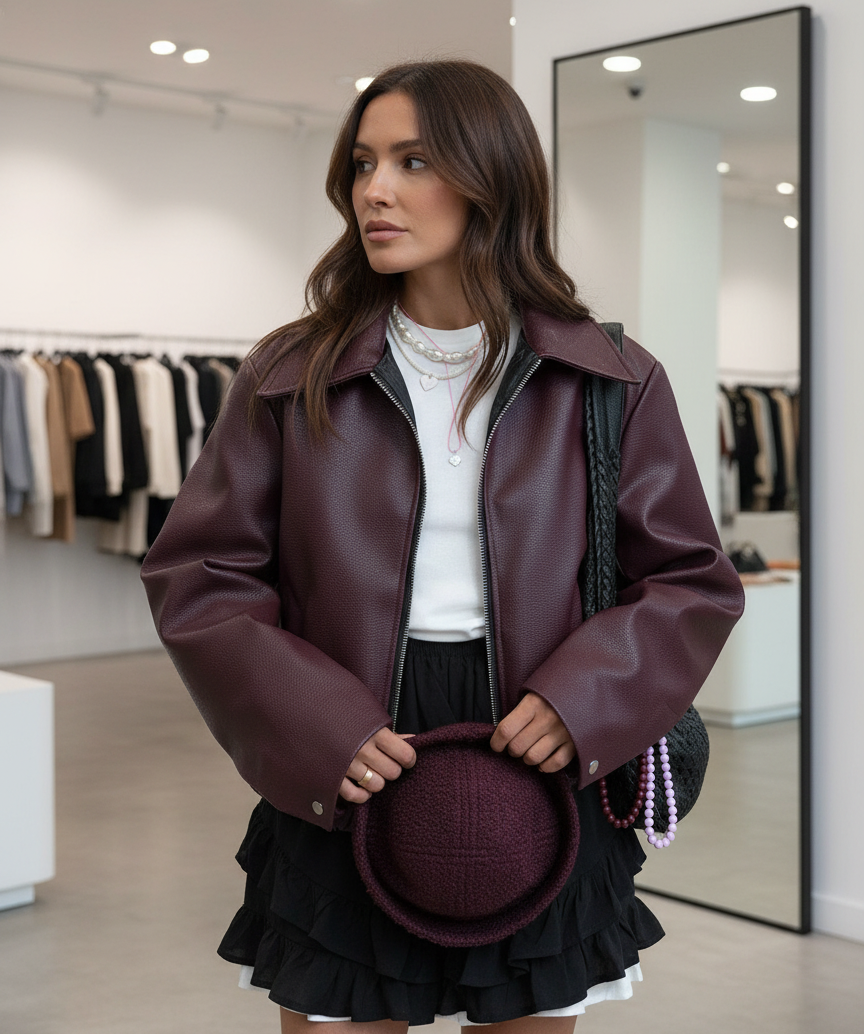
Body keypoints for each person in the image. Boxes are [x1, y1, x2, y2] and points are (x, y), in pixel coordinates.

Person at [141, 59, 744, 1033]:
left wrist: (583, 697)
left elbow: (687, 580)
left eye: (412, 160)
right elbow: (199, 576)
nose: (372, 188)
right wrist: (310, 720)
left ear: (490, 176)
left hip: (540, 737)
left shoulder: (611, 379)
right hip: (348, 742)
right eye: (364, 161)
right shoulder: (290, 376)